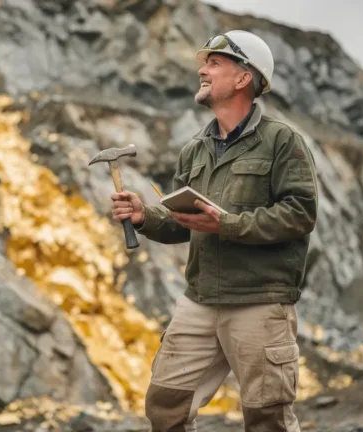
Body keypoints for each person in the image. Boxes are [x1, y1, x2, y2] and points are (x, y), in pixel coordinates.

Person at [111, 30, 318, 432]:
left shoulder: (281, 141)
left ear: (244, 78)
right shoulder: (195, 149)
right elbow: (185, 223)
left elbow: (299, 214)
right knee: (165, 407)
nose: (202, 70)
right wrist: (144, 217)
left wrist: (229, 225)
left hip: (260, 300)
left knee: (267, 418)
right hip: (200, 300)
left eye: (214, 63)